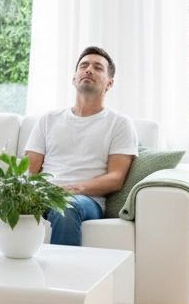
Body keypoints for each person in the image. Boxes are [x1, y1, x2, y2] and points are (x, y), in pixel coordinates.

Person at [22, 46, 138, 246]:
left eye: (98, 67)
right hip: (42, 194)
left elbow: (116, 178)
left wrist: (73, 189)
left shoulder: (119, 123)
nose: (89, 70)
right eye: (83, 65)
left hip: (85, 200)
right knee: (0, 205)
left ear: (109, 83)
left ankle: (63, 277)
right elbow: (28, 168)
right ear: (74, 79)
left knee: (65, 206)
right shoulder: (48, 119)